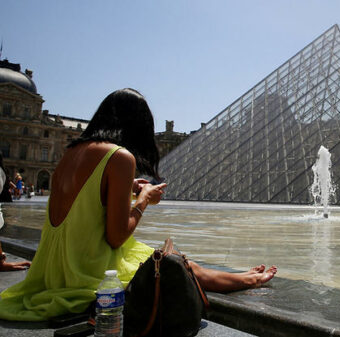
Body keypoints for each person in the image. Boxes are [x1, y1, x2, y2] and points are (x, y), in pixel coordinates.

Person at [0, 89, 276, 321]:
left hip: (54, 267)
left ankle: (241, 277)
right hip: (85, 270)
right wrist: (143, 200)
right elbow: (117, 236)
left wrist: (129, 187)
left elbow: (84, 198)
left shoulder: (72, 152)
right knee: (173, 264)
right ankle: (247, 280)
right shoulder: (119, 156)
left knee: (168, 259)